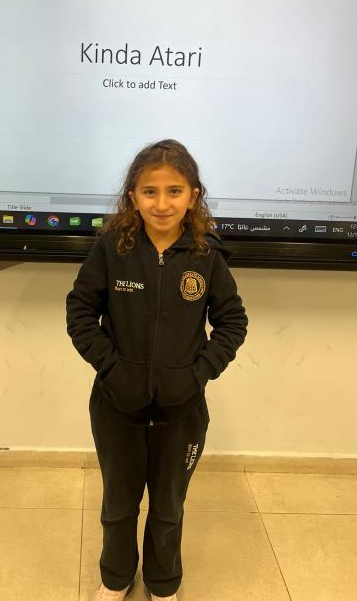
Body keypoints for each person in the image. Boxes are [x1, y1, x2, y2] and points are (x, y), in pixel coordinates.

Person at [66, 139, 248, 601]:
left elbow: (232, 322)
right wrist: (112, 369)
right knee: (118, 504)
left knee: (168, 507)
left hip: (182, 411)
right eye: (150, 191)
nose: (161, 203)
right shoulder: (112, 248)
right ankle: (116, 576)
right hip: (116, 407)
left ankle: (163, 581)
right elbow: (80, 313)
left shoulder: (207, 256)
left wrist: (196, 374)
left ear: (193, 196)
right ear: (133, 196)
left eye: (174, 191)